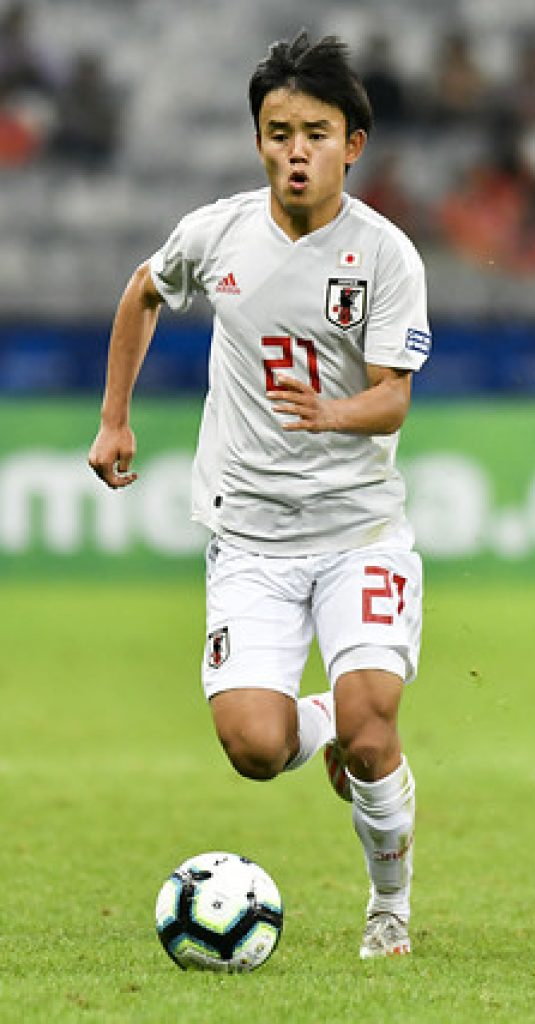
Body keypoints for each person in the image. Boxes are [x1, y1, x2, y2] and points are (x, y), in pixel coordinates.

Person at [87, 32, 431, 960]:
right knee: (254, 749)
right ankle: (320, 720)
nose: (296, 151)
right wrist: (115, 419)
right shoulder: (218, 234)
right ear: (259, 141)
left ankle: (389, 908)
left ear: (353, 144)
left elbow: (394, 398)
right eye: (279, 133)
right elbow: (143, 291)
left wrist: (334, 413)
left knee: (372, 733)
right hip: (249, 540)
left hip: (360, 531)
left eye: (316, 133)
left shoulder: (386, 256)